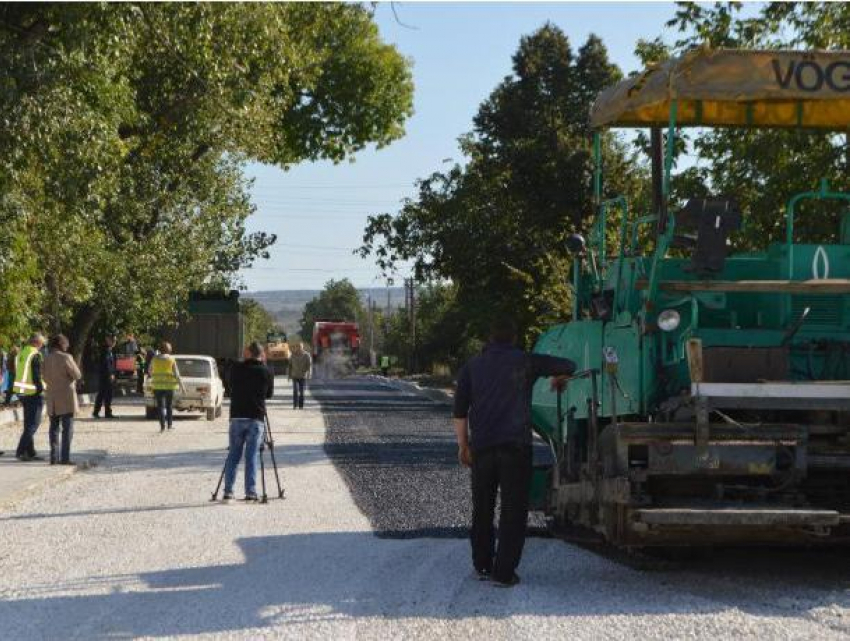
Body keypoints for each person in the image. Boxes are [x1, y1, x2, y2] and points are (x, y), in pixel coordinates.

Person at [453, 317, 575, 587]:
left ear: (489, 339)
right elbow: (569, 365)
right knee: (513, 510)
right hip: (515, 447)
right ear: (514, 338)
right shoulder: (526, 361)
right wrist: (558, 378)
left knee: (482, 508)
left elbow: (460, 412)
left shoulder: (471, 367)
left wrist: (463, 445)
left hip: (482, 448)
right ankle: (504, 572)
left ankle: (482, 564)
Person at [223, 342, 274, 501]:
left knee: (234, 455)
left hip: (237, 416)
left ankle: (228, 491)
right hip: (255, 417)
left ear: (247, 353)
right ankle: (250, 492)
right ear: (261, 354)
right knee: (251, 456)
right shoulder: (266, 371)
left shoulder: (236, 369)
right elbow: (269, 394)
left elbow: (229, 387)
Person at [43, 334, 82, 465]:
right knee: (67, 428)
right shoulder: (66, 357)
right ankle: (65, 458)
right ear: (60, 344)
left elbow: (44, 376)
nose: (68, 346)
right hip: (66, 396)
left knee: (53, 428)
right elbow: (77, 374)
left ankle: (54, 457)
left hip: (52, 396)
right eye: (66, 343)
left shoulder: (46, 358)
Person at [13, 333, 46, 461]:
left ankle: (30, 452)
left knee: (28, 424)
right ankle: (20, 451)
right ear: (37, 342)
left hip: (22, 392)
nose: (42, 346)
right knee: (33, 424)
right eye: (42, 343)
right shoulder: (35, 354)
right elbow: (36, 375)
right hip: (33, 392)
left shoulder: (21, 353)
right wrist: (41, 389)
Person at [149, 342, 184, 432]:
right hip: (170, 386)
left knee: (160, 407)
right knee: (169, 406)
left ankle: (162, 427)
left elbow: (149, 371)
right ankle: (169, 425)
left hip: (157, 386)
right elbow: (177, 374)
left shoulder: (154, 359)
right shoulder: (171, 359)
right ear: (168, 349)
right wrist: (182, 386)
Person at [92, 336, 116, 419]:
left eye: (115, 340)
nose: (114, 342)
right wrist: (110, 374)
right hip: (105, 376)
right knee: (106, 394)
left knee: (103, 394)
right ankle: (105, 412)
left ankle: (100, 412)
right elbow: (106, 364)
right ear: (108, 340)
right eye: (112, 340)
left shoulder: (109, 350)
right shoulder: (106, 351)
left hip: (106, 375)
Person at [287, 342, 312, 410]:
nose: (299, 348)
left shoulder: (307, 355)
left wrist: (309, 374)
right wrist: (289, 376)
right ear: (296, 347)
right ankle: (295, 405)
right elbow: (290, 366)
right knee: (295, 390)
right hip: (295, 376)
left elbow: (309, 365)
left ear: (303, 347)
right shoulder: (292, 355)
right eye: (298, 347)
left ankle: (301, 406)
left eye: (300, 347)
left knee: (302, 393)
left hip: (303, 376)